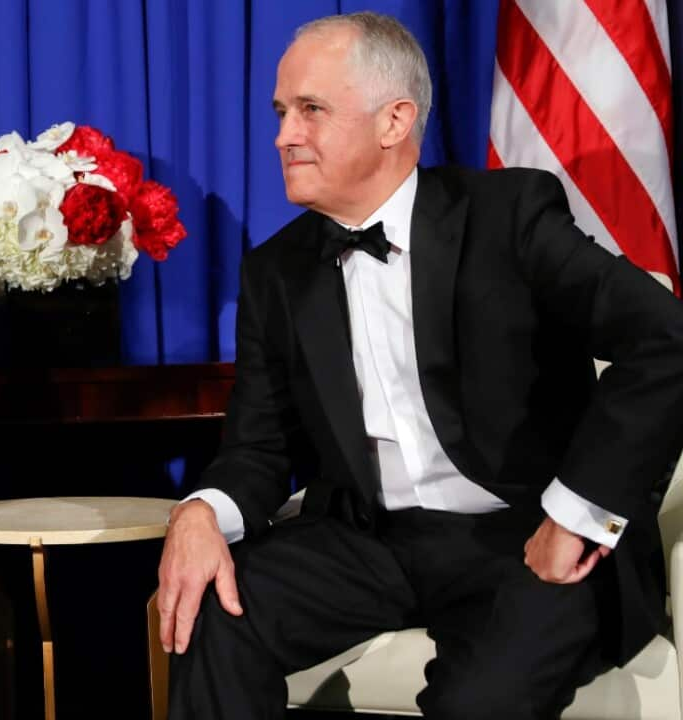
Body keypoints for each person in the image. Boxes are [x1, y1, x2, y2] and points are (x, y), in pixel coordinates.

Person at [156, 11, 683, 719]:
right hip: (367, 540)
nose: (283, 135)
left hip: (523, 531)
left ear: (394, 120)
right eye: (282, 112)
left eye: (311, 110)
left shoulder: (511, 216)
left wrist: (577, 513)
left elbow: (666, 339)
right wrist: (199, 514)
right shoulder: (275, 271)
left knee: (476, 700)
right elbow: (258, 447)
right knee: (210, 611)